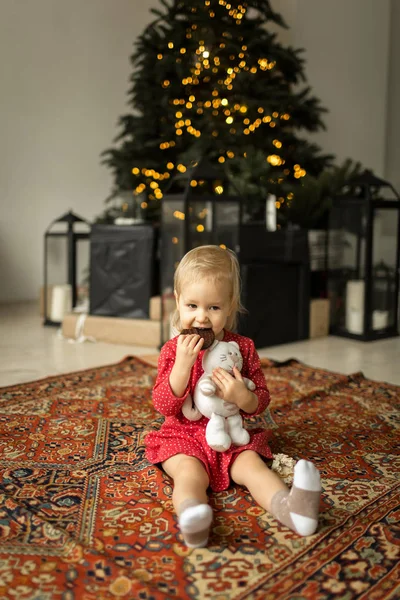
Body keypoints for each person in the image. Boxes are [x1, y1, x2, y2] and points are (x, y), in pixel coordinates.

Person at [145, 245, 321, 548]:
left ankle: (294, 509)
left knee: (253, 467)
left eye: (213, 308)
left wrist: (242, 396)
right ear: (177, 301)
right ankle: (194, 518)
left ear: (230, 306)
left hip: (232, 433)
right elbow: (163, 405)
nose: (201, 317)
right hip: (183, 437)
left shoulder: (243, 348)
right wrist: (183, 367)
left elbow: (261, 401)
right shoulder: (173, 350)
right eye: (192, 306)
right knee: (189, 475)